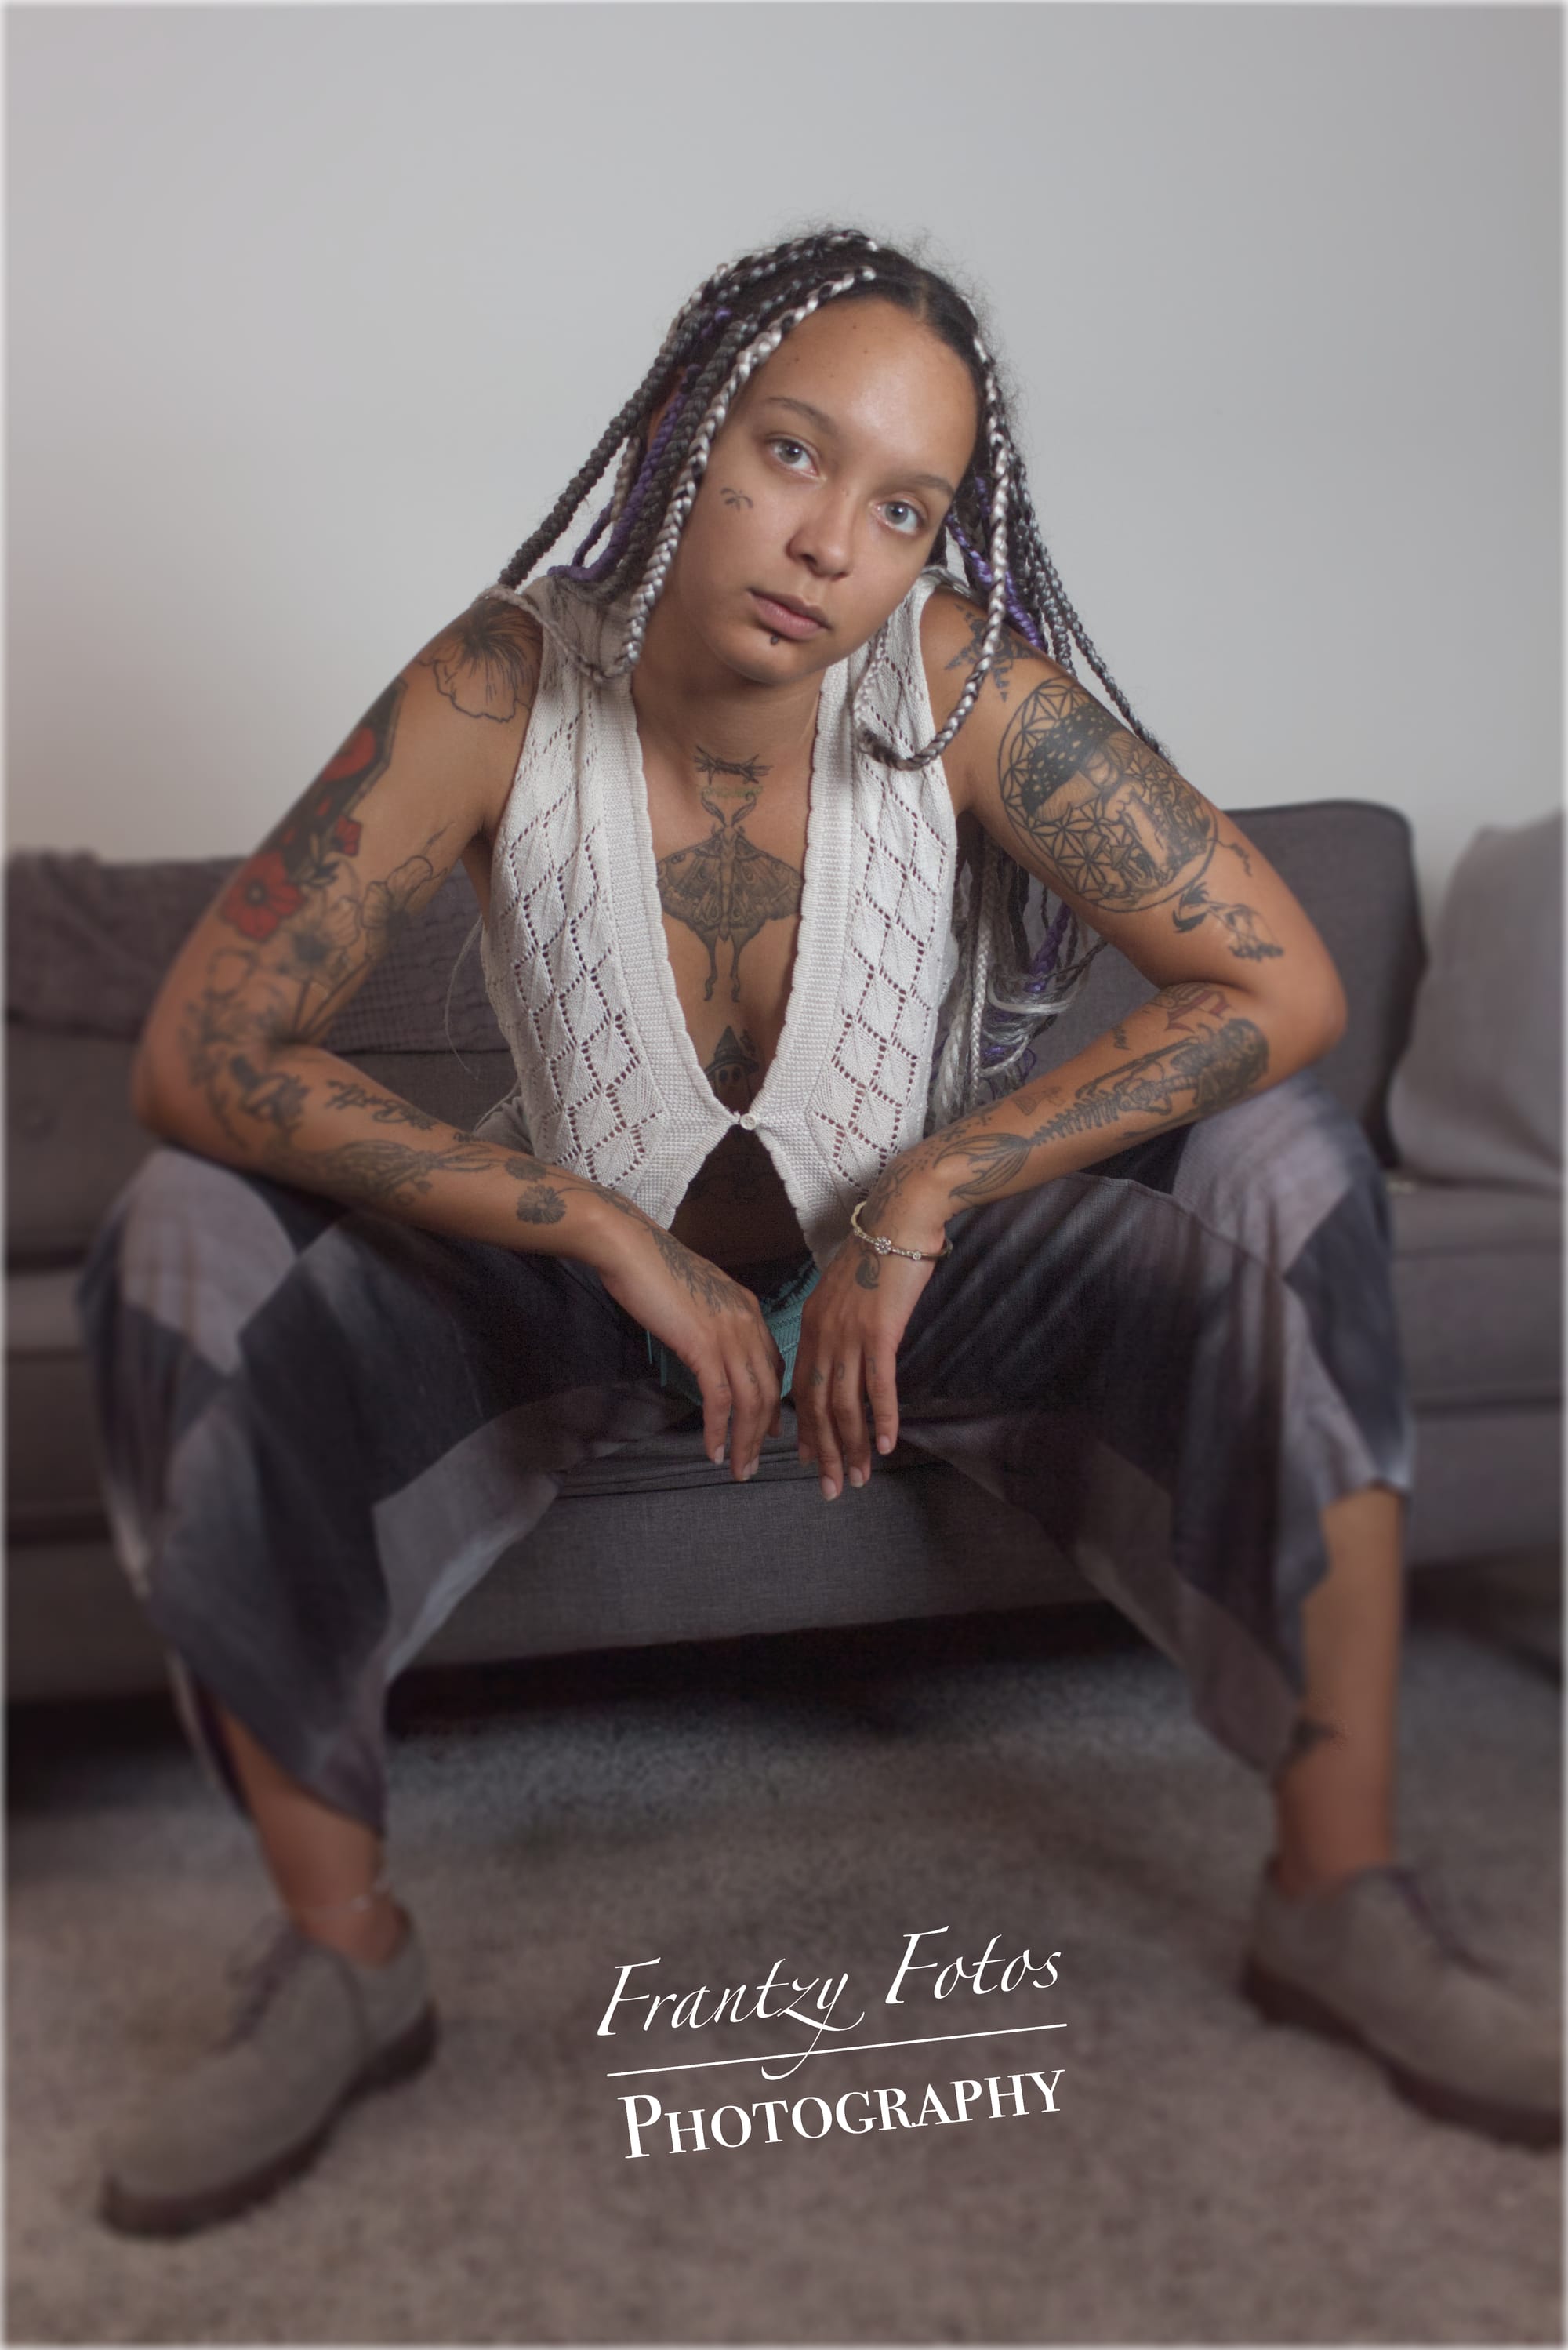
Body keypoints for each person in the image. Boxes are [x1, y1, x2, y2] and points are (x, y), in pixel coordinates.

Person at [76, 227, 1560, 2236]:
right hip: (566, 1279)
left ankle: (1338, 1887)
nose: (828, 543)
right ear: (689, 430)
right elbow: (203, 1049)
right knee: (178, 1225)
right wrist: (594, 1227)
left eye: (902, 507)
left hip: (918, 1282)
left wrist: (933, 1189)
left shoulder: (951, 684)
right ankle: (342, 1958)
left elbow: (1277, 984)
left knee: (1290, 1152)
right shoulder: (502, 680)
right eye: (791, 450)